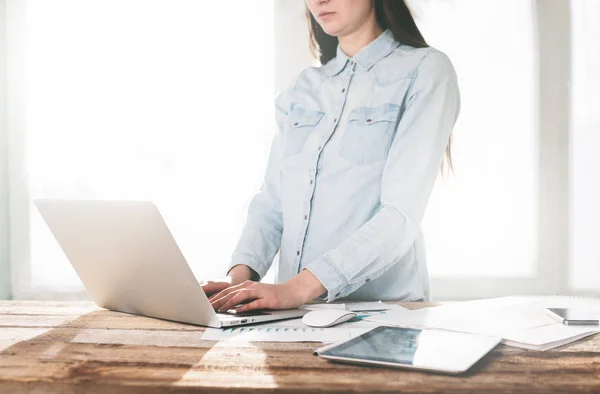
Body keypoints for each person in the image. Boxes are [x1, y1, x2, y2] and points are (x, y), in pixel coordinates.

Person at [203, 0, 460, 313]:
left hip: (382, 315)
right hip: (292, 316)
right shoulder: (303, 88)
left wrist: (295, 289)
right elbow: (273, 203)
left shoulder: (424, 70)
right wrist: (238, 279)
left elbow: (400, 217)